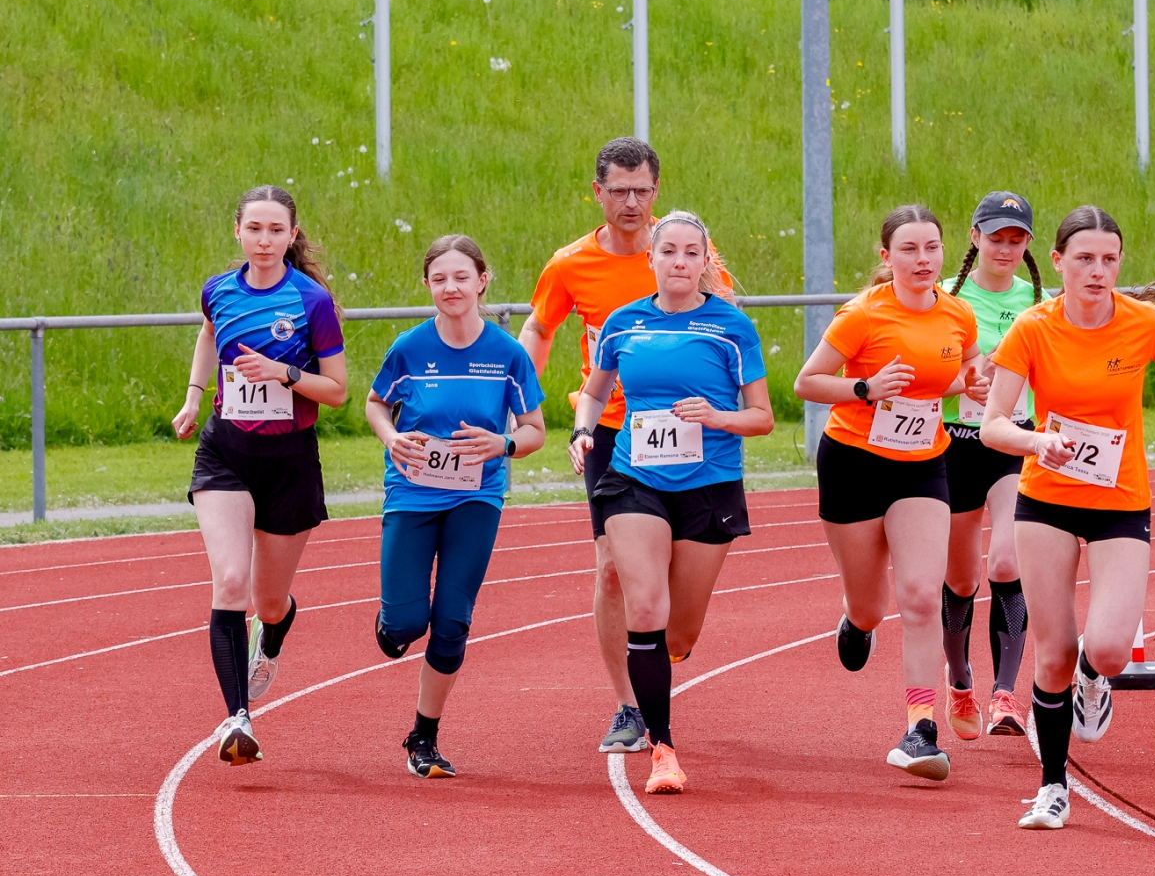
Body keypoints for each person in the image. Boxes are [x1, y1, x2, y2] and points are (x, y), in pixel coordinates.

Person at [978, 206, 1155, 830]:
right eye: (1084, 259)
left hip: (1120, 501)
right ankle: (1053, 787)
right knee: (1051, 653)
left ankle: (1094, 678)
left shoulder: (1144, 323)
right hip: (1046, 500)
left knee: (1106, 650)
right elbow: (993, 425)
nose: (1097, 271)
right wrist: (1037, 441)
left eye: (1109, 259)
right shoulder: (1033, 328)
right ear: (1058, 263)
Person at [528, 138, 735, 757]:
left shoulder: (683, 252)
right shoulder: (571, 264)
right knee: (612, 569)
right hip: (611, 430)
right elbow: (540, 326)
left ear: (656, 191)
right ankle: (628, 705)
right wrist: (518, 400)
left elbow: (726, 324)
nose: (631, 202)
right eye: (618, 190)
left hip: (686, 427)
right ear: (598, 192)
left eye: (642, 190)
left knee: (676, 609)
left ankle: (661, 645)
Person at [568, 212, 773, 794]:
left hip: (710, 484)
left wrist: (717, 417)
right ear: (651, 259)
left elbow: (762, 417)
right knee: (644, 610)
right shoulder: (623, 322)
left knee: (677, 635)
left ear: (705, 261)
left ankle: (660, 662)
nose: (679, 261)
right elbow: (595, 391)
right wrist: (583, 431)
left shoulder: (731, 327)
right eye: (669, 251)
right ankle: (662, 749)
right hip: (635, 477)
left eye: (690, 253)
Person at [794, 206, 982, 782]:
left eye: (932, 248)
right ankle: (856, 620)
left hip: (922, 465)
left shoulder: (958, 314)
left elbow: (963, 372)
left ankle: (919, 729)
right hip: (853, 463)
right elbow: (806, 382)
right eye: (910, 249)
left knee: (922, 595)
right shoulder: (863, 315)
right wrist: (865, 387)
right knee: (872, 605)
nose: (923, 260)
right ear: (887, 256)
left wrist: (975, 382)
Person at [172, 186, 349, 766]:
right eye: (255, 228)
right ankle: (238, 718)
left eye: (276, 230)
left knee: (267, 602)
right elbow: (208, 334)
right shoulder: (218, 290)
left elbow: (337, 391)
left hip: (289, 461)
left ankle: (271, 635)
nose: (265, 240)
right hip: (226, 451)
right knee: (230, 581)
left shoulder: (312, 301)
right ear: (238, 231)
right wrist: (194, 396)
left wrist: (283, 373)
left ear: (292, 235)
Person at [367, 234, 547, 778]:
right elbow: (376, 404)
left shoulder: (508, 353)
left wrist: (503, 444)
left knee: (451, 623)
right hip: (413, 494)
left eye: (461, 277)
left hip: (477, 496)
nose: (451, 287)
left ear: (482, 281)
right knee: (406, 624)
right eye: (440, 278)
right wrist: (391, 438)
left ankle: (423, 736)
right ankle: (392, 623)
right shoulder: (409, 347)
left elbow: (535, 429)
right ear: (427, 284)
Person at [939, 191, 1045, 741]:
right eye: (996, 238)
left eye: (1016, 239)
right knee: (961, 577)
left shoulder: (1040, 302)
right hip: (955, 443)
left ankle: (1006, 696)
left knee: (1006, 561)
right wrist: (960, 382)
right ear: (975, 237)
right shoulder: (945, 298)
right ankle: (960, 679)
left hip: (1012, 441)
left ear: (1028, 243)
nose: (1005, 249)